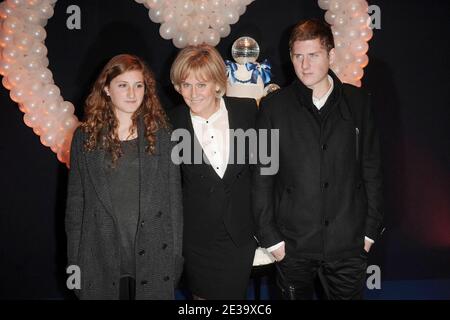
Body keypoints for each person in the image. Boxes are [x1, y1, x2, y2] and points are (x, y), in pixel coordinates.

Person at [253, 19, 384, 300]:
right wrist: (271, 238)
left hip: (348, 244)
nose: (305, 65)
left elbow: (372, 169)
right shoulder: (274, 107)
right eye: (298, 56)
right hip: (293, 246)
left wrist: (370, 232)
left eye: (313, 55)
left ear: (331, 56)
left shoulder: (359, 103)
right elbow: (263, 176)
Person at [65, 54, 183, 300]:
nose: (132, 93)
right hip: (99, 253)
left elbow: (174, 203)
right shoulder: (84, 138)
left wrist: (175, 258)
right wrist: (74, 262)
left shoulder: (163, 135)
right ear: (106, 89)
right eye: (123, 85)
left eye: (138, 85)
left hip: (153, 253)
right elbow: (76, 205)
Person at [169, 44, 258, 300]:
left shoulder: (247, 111)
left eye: (201, 84)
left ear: (218, 83)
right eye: (186, 84)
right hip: (197, 239)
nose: (193, 93)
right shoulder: (171, 122)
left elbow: (264, 172)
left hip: (239, 234)